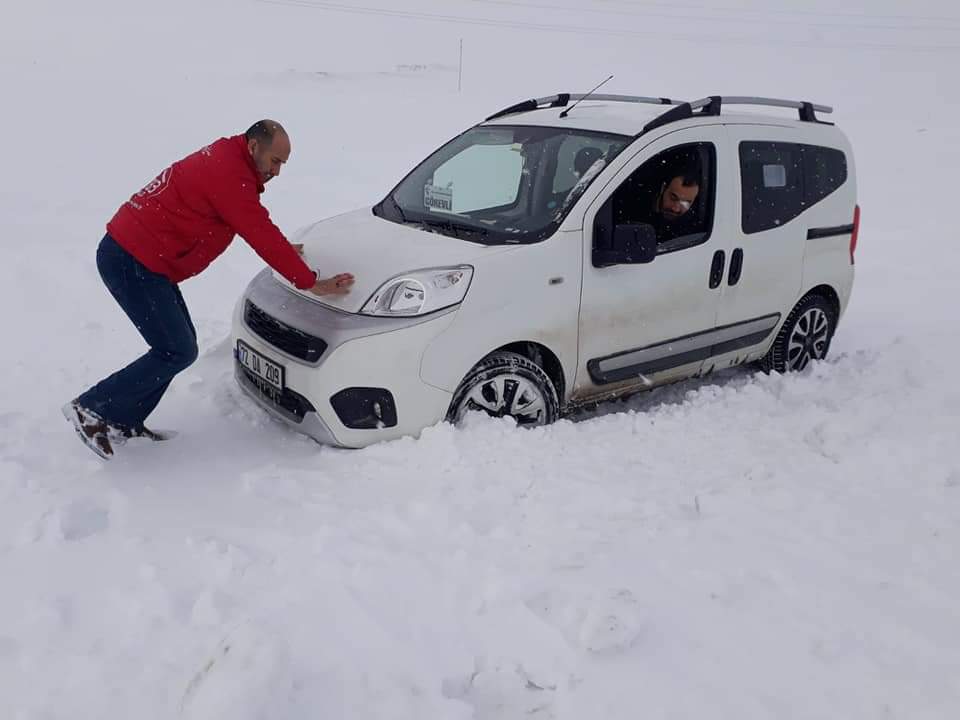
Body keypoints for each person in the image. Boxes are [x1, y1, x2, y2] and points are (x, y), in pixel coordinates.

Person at [62, 120, 355, 459]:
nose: (277, 171)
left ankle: (123, 420)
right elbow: (255, 227)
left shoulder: (229, 162)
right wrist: (309, 282)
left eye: (283, 164)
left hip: (142, 258)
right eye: (275, 161)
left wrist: (285, 250)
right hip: (132, 260)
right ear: (253, 147)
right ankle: (93, 408)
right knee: (176, 350)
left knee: (177, 347)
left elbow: (248, 221)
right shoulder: (229, 174)